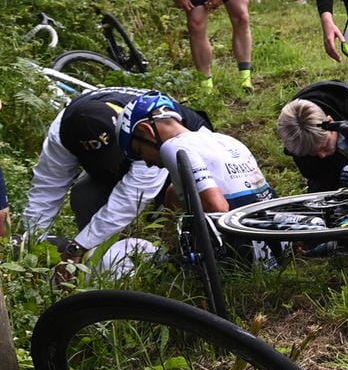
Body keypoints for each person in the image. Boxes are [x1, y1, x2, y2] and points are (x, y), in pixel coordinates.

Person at [22, 87, 208, 260]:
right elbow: (47, 189)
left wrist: (79, 245)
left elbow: (131, 198)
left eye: (113, 157)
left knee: (174, 216)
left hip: (174, 155)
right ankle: (97, 260)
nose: (113, 169)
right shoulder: (63, 134)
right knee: (84, 195)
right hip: (136, 152)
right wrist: (30, 244)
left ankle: (170, 262)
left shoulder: (143, 128)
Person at [118, 91, 273, 213]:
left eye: (139, 152)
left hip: (243, 243)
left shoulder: (172, 146)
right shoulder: (225, 140)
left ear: (146, 130)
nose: (148, 163)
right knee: (173, 193)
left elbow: (217, 207)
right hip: (272, 228)